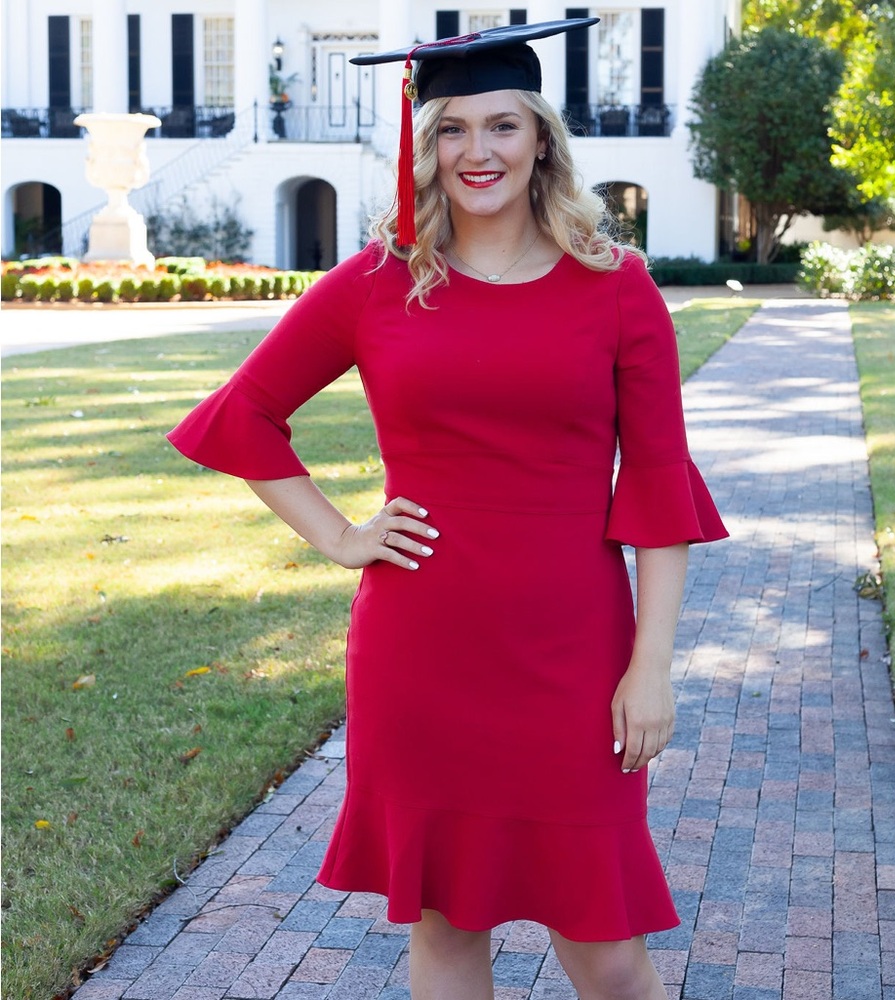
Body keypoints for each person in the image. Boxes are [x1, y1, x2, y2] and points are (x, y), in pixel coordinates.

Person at [167, 18, 727, 999]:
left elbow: (657, 488)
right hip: (420, 650)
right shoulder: (378, 284)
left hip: (575, 656)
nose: (478, 152)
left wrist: (650, 668)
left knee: (603, 940)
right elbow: (241, 413)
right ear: (424, 148)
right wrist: (340, 534)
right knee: (446, 921)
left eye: (501, 126)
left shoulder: (618, 288)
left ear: (541, 138)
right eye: (452, 130)